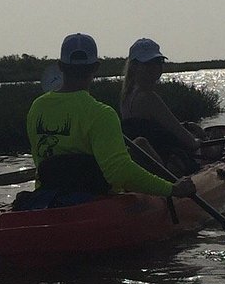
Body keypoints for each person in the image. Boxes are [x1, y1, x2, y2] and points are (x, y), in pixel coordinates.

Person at [21, 33, 196, 209]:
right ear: (96, 67)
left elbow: (40, 159)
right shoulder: (101, 113)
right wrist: (171, 189)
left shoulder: (37, 107)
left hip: (47, 199)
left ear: (59, 66)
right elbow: (120, 173)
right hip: (92, 201)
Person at [120, 37, 206, 176]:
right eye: (148, 63)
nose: (155, 67)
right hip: (165, 165)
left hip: (150, 161)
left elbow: (152, 128)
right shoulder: (149, 98)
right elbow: (188, 141)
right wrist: (199, 141)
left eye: (158, 62)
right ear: (134, 66)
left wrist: (187, 125)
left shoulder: (126, 96)